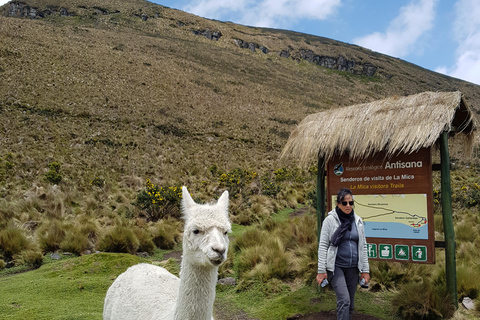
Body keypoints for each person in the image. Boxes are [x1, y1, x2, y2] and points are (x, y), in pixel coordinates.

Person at [316, 187, 370, 320]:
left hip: (353, 268)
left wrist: (365, 270)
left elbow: (363, 246)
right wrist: (321, 270)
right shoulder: (330, 220)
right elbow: (323, 245)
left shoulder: (358, 221)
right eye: (344, 203)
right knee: (344, 300)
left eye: (350, 203)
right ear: (338, 204)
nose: (348, 206)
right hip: (336, 267)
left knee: (350, 304)